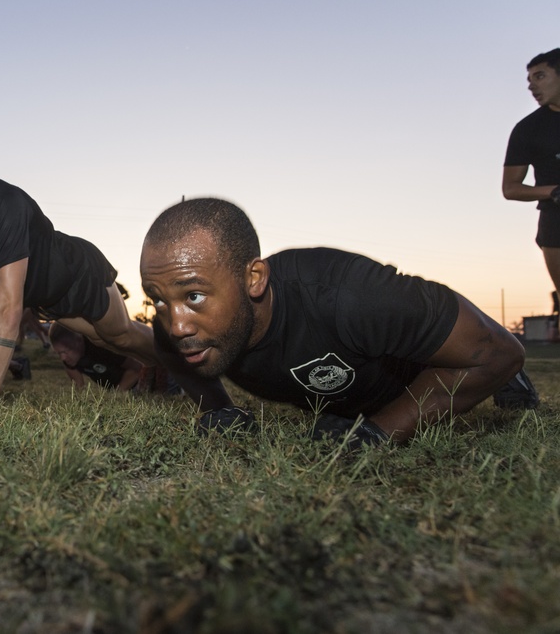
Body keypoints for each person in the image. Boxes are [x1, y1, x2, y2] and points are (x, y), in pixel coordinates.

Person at [0, 121, 219, 408]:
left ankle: (185, 364)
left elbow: (7, 304)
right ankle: (162, 367)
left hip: (78, 274)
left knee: (119, 335)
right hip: (45, 297)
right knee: (108, 342)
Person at [139, 198, 530, 447]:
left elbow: (501, 352)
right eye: (158, 299)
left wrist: (379, 431)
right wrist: (218, 408)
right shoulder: (172, 327)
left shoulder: (349, 295)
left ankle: (514, 386)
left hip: (422, 374)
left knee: (482, 355)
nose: (177, 325)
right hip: (342, 398)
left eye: (194, 296)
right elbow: (173, 354)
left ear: (253, 279)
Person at [503, 49, 560, 306]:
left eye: (539, 76)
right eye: (529, 81)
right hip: (555, 224)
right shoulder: (527, 129)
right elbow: (511, 189)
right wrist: (553, 191)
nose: (532, 86)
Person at [49, 322, 142, 391]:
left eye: (65, 352)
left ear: (79, 341)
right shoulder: (69, 358)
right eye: (59, 353)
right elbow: (79, 386)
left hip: (141, 382)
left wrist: (116, 394)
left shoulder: (102, 346)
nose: (63, 358)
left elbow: (136, 368)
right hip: (114, 387)